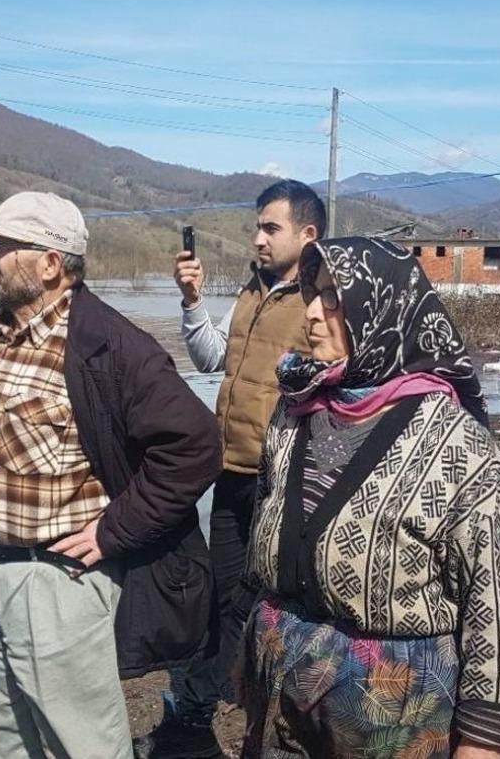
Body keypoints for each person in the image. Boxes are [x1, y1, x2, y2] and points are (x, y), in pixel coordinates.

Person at [0, 191, 222, 758]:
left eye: (1, 244)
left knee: (81, 743)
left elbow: (194, 445)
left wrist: (113, 532)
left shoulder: (111, 347)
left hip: (55, 582)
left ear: (50, 263)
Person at [239, 237, 500, 759]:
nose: (311, 313)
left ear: (379, 309)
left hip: (393, 707)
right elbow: (265, 535)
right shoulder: (295, 411)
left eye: (333, 297)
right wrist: (251, 647)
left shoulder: (455, 441)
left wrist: (483, 740)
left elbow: (498, 601)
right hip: (283, 682)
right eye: (312, 294)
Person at [134, 179, 323, 759]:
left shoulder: (322, 299)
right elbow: (215, 358)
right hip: (232, 471)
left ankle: (272, 721)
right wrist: (192, 303)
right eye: (257, 227)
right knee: (219, 597)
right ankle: (196, 712)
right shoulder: (254, 289)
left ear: (307, 234)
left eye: (272, 228)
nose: (259, 239)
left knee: (269, 600)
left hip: (282, 480)